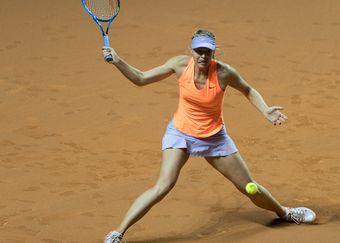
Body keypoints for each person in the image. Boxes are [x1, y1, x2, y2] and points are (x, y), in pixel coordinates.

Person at [102, 29, 316, 243]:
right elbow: (140, 78)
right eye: (198, 51)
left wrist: (265, 110)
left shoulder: (224, 72)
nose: (203, 56)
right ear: (191, 50)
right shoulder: (179, 64)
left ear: (214, 52)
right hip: (181, 134)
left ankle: (285, 213)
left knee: (249, 187)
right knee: (163, 186)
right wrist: (118, 61)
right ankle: (117, 233)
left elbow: (248, 89)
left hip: (214, 138)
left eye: (207, 51)